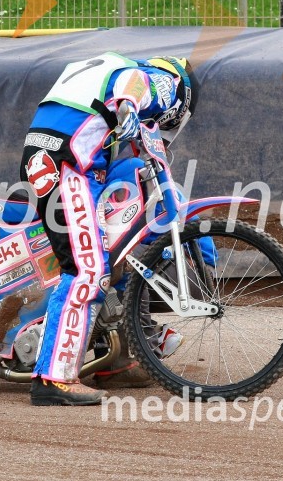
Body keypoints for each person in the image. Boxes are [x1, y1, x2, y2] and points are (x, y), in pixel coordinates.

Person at [20, 53, 197, 406]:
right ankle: (54, 379)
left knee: (99, 257)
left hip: (61, 158)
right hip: (68, 164)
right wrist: (132, 104)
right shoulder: (162, 81)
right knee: (88, 270)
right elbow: (134, 82)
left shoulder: (106, 66)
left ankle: (110, 350)